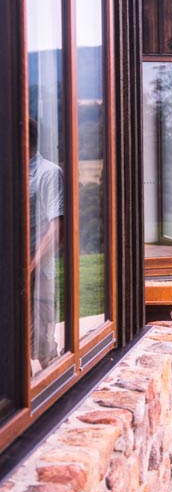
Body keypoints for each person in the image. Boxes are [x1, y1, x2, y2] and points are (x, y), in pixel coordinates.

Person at [29, 117, 64, 369]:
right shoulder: (10, 173)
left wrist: (30, 268)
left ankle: (58, 397)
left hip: (37, 274)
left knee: (41, 345)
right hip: (13, 275)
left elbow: (57, 228)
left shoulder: (48, 172)